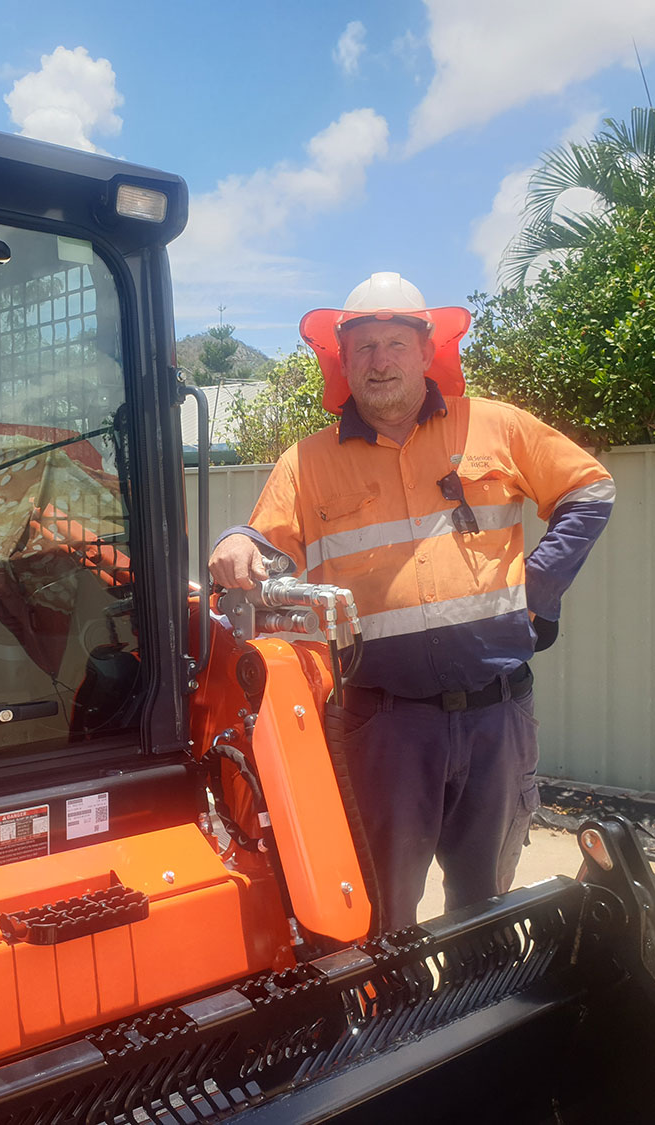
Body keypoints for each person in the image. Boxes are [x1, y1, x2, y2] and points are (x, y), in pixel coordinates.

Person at [208, 272, 614, 931]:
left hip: (497, 719)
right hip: (385, 728)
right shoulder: (306, 463)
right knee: (382, 911)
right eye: (362, 347)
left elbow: (590, 492)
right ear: (343, 363)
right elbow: (259, 540)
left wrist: (537, 587)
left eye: (395, 342)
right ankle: (395, 1026)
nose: (379, 359)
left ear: (428, 352)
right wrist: (234, 539)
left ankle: (474, 1021)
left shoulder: (496, 426)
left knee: (485, 909)